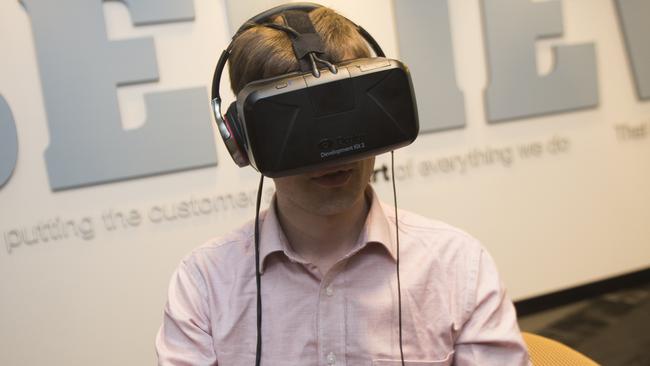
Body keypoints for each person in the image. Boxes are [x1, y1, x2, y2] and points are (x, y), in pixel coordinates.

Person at [156, 6, 530, 366]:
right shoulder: (205, 285)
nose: (332, 153)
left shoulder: (457, 266)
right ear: (242, 139)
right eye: (296, 124)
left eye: (348, 115)